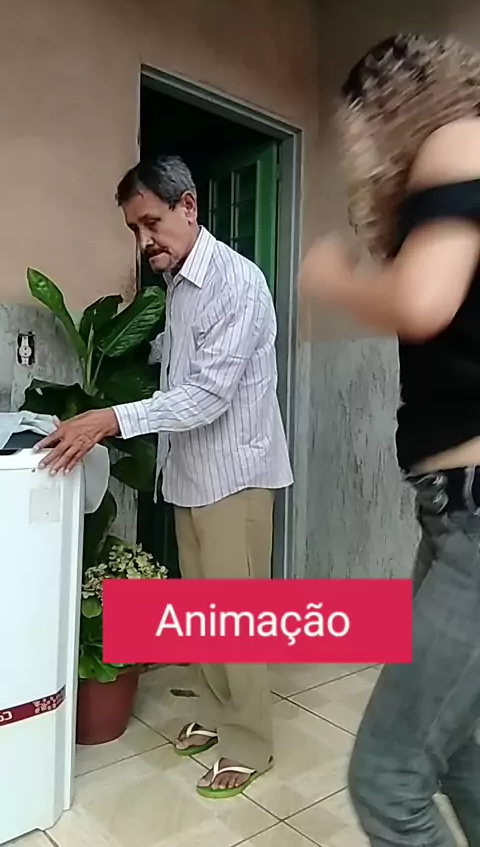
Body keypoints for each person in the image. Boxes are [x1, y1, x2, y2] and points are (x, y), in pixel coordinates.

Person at [37, 154, 293, 798]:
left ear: (189, 207)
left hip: (236, 475)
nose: (145, 239)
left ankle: (250, 741)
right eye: (134, 229)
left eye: (152, 222)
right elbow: (178, 382)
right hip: (191, 473)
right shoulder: (178, 286)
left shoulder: (237, 281)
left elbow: (207, 396)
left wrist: (110, 419)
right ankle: (217, 712)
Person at [299, 34, 480, 846]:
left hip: (474, 515)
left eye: (359, 129)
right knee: (457, 751)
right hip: (451, 516)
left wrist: (333, 280)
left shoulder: (459, 138)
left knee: (385, 782)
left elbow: (422, 302)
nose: (358, 153)